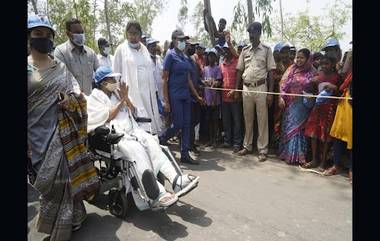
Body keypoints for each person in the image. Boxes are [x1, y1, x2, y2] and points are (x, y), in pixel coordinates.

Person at [86, 66, 200, 209]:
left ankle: (176, 180)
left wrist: (126, 98)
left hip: (132, 130)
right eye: (111, 79)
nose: (115, 81)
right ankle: (156, 194)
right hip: (114, 136)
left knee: (153, 142)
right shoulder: (94, 99)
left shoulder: (117, 93)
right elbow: (108, 116)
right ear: (103, 82)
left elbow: (133, 111)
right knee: (137, 150)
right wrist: (122, 100)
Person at [28, 14, 99, 240]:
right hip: (38, 137)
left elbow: (74, 93)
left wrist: (70, 100)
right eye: (38, 34)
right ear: (28, 37)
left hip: (63, 133)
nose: (44, 38)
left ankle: (73, 218)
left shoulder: (59, 67)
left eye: (48, 35)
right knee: (50, 183)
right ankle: (55, 222)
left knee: (68, 178)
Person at [159, 29, 205, 164]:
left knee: (187, 125)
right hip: (174, 95)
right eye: (181, 40)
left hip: (186, 95)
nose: (183, 42)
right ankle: (162, 138)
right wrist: (166, 101)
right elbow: (164, 79)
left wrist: (196, 96)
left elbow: (189, 79)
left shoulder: (185, 57)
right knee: (178, 123)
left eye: (184, 40)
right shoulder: (170, 56)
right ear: (174, 41)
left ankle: (185, 154)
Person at [233, 22, 276, 162]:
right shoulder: (245, 50)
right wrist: (236, 89)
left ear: (259, 33)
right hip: (246, 87)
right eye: (249, 33)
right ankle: (247, 145)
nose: (251, 35)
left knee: (262, 119)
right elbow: (239, 70)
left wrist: (270, 92)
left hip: (261, 87)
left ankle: (263, 149)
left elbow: (271, 72)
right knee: (248, 118)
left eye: (254, 32)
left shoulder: (267, 50)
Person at [113, 21, 163, 134]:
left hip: (146, 94)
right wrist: (121, 96)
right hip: (130, 95)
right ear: (126, 34)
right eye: (130, 33)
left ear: (140, 35)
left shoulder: (144, 49)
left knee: (148, 124)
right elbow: (115, 75)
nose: (132, 36)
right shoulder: (121, 50)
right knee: (136, 126)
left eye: (135, 33)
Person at [302, 53, 341, 171]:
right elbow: (313, 91)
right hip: (317, 108)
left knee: (325, 137)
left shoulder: (337, 77)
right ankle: (314, 159)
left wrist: (334, 88)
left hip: (329, 109)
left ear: (333, 64)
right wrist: (312, 83)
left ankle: (323, 162)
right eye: (322, 63)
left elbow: (340, 94)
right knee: (314, 134)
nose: (324, 66)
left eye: (327, 64)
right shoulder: (318, 75)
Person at [278, 48, 315, 165]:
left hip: (303, 105)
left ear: (308, 59)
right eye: (297, 57)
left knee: (299, 130)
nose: (298, 60)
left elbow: (314, 88)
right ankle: (287, 153)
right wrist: (281, 97)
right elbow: (283, 83)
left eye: (302, 57)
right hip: (290, 105)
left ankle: (299, 156)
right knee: (289, 128)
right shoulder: (291, 69)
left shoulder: (313, 71)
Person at [324, 50, 352, 183]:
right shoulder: (346, 74)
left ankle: (352, 169)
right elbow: (341, 87)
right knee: (337, 136)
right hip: (344, 105)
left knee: (351, 138)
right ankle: (335, 165)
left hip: (351, 106)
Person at [54, 18, 99, 95]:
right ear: (68, 34)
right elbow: (61, 79)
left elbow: (99, 73)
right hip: (72, 102)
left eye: (82, 32)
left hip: (90, 99)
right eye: (77, 32)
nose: (81, 35)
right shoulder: (60, 52)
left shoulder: (91, 53)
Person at [221, 41, 243, 153]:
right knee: (226, 121)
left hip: (235, 97)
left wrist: (236, 90)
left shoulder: (237, 61)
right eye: (224, 50)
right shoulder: (222, 63)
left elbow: (240, 79)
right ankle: (227, 141)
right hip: (224, 98)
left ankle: (237, 143)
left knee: (237, 121)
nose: (225, 52)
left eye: (227, 49)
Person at [202, 48, 223, 147]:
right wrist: (204, 82)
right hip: (207, 99)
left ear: (215, 57)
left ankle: (215, 139)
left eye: (212, 56)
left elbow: (219, 81)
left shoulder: (218, 68)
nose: (210, 58)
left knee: (215, 120)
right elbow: (202, 81)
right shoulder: (204, 69)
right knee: (208, 120)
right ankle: (210, 139)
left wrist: (215, 83)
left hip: (215, 99)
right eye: (209, 56)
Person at [185, 42, 203, 155]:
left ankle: (190, 143)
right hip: (189, 95)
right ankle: (189, 145)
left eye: (193, 46)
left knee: (196, 119)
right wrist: (196, 94)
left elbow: (196, 77)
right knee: (190, 122)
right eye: (190, 46)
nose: (192, 48)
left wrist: (202, 83)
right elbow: (188, 80)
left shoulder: (193, 61)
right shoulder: (184, 61)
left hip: (196, 95)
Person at [146, 37, 166, 126]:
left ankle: (163, 135)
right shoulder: (146, 60)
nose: (154, 48)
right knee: (156, 113)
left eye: (155, 45)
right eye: (152, 46)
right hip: (153, 93)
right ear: (148, 47)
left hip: (162, 92)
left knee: (163, 114)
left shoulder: (159, 58)